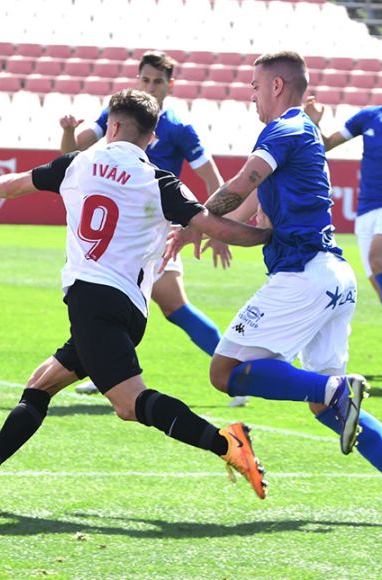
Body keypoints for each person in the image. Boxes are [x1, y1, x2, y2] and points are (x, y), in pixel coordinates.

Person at [0, 89, 272, 502]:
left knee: (130, 405)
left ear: (111, 125)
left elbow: (15, 185)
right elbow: (216, 226)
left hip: (93, 302)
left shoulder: (79, 162)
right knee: (41, 384)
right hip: (128, 308)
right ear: (151, 139)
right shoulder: (158, 179)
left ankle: (226, 443)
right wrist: (269, 235)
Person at [166, 51, 382, 526]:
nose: (250, 93)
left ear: (277, 87)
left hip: (304, 276)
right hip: (333, 279)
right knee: (323, 407)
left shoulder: (284, 129)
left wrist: (193, 217)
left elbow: (242, 181)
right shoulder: (298, 139)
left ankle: (335, 388)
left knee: (225, 371)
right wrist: (199, 227)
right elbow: (246, 204)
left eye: (254, 85)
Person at [60, 50, 250, 408]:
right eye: (145, 80)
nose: (150, 86)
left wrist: (218, 226)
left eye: (158, 82)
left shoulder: (177, 127)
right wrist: (69, 131)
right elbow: (73, 151)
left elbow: (213, 179)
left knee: (172, 304)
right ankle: (105, 371)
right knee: (112, 297)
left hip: (154, 231)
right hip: (123, 229)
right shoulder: (117, 116)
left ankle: (235, 374)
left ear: (170, 85)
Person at [305, 61, 382, 369]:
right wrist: (313, 122)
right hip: (366, 210)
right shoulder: (368, 117)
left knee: (378, 259)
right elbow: (325, 145)